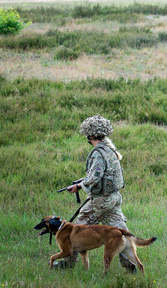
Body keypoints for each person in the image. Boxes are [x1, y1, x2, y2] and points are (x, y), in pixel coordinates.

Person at [55, 115, 137, 272]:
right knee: (120, 230)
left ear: (90, 135)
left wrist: (80, 186)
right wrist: (80, 184)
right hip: (114, 198)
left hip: (100, 201)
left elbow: (94, 177)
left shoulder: (98, 153)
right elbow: (103, 175)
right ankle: (129, 263)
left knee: (76, 230)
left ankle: (67, 262)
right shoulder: (110, 150)